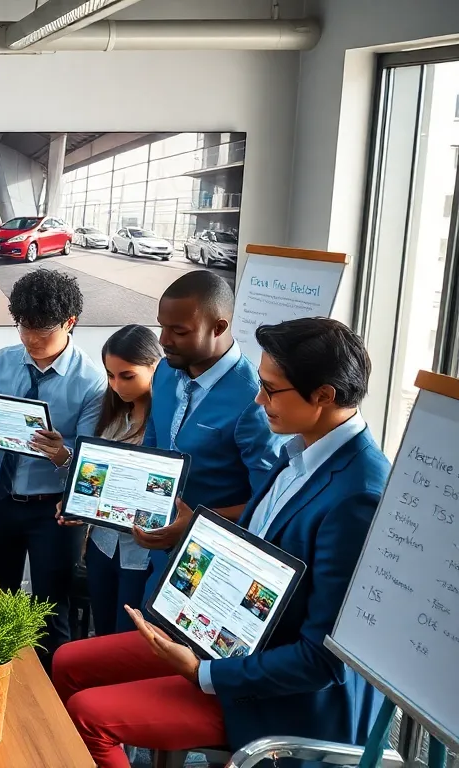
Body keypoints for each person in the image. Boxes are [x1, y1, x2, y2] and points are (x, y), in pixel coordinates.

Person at [52, 318, 387, 767]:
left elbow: (322, 664)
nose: (258, 398)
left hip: (271, 692)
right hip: (221, 639)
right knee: (68, 661)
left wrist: (201, 671)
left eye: (271, 389)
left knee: (89, 715)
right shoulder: (301, 452)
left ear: (324, 396)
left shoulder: (359, 496)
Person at [0, 269, 106, 664]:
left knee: (50, 611)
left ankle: (49, 709)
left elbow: (89, 469)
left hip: (52, 511)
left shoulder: (91, 382)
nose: (30, 339)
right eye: (23, 327)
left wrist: (63, 455)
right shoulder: (1, 365)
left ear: (69, 323)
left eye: (43, 331)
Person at [135, 272, 283, 599]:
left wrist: (196, 522)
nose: (163, 339)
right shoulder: (164, 371)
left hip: (215, 568)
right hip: (158, 553)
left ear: (218, 328)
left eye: (178, 331)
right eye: (162, 326)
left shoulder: (255, 400)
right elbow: (153, 449)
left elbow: (269, 505)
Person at [56, 324, 161, 636]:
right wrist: (77, 502)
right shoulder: (114, 416)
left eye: (127, 376)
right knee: (101, 633)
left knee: (125, 638)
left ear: (156, 366)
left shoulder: (166, 425)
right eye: (111, 375)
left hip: (141, 552)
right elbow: (98, 476)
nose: (117, 386)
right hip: (102, 545)